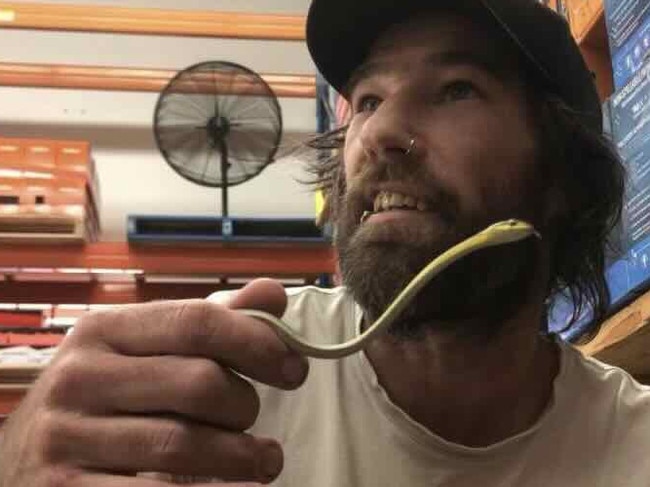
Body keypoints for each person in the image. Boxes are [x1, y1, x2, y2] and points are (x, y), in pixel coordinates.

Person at [1, 0, 648, 485]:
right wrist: (17, 457)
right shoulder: (225, 385)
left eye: (456, 90)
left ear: (561, 179)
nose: (380, 131)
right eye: (367, 99)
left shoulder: (632, 446)